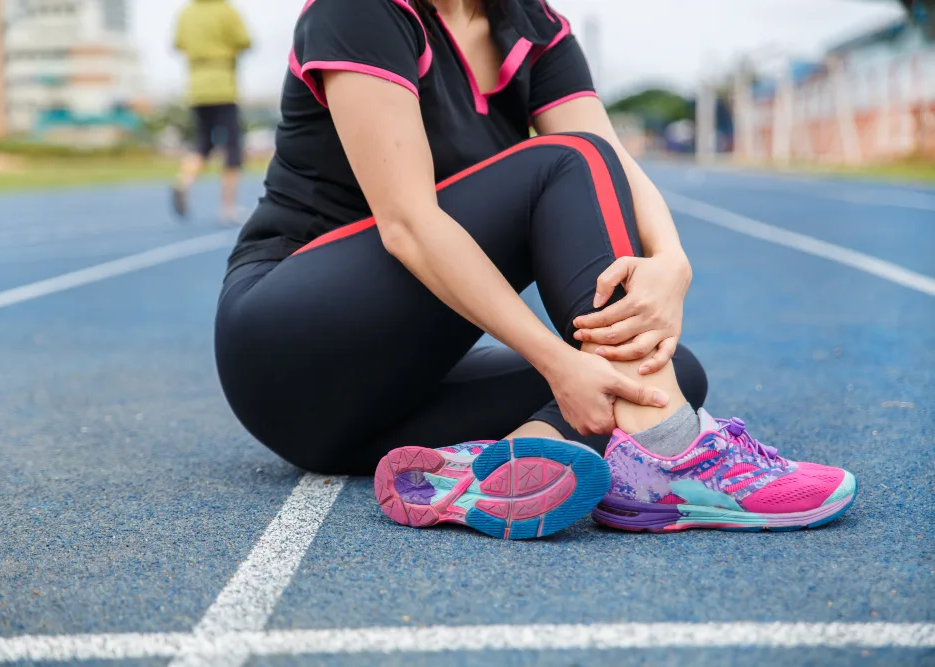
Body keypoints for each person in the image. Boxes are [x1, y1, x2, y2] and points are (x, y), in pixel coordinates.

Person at [215, 0, 857, 539]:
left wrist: (672, 261)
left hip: (367, 417)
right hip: (286, 347)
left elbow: (614, 164)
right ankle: (670, 456)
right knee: (563, 165)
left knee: (661, 379)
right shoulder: (359, 10)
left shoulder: (532, 25)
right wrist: (556, 361)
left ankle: (491, 471)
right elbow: (408, 225)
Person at [172, 0, 251, 226]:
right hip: (223, 85)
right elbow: (244, 40)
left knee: (203, 143)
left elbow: (178, 43)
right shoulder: (226, 10)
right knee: (232, 147)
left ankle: (183, 181)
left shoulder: (186, 13)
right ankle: (228, 207)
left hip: (197, 87)